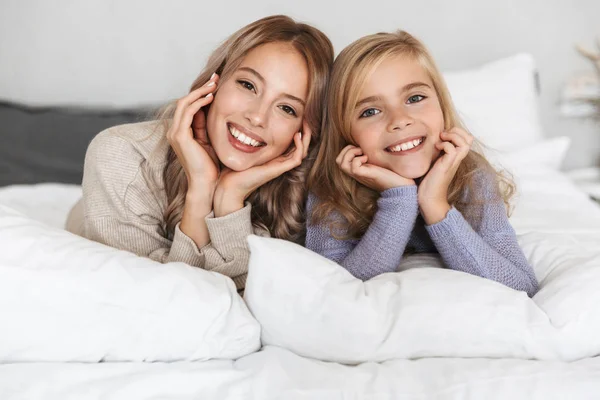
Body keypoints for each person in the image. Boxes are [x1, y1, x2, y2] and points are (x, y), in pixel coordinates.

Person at [66, 15, 334, 292]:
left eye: (287, 108)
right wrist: (202, 188)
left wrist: (230, 199)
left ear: (304, 132)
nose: (257, 117)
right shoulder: (122, 153)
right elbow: (155, 301)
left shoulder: (303, 193)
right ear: (214, 84)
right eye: (248, 85)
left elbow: (252, 301)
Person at [305, 30, 538, 297]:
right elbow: (335, 294)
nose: (399, 120)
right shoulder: (331, 189)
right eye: (370, 111)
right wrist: (399, 201)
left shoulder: (472, 176)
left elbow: (521, 287)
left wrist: (434, 203)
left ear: (441, 104)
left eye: (414, 98)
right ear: (346, 133)